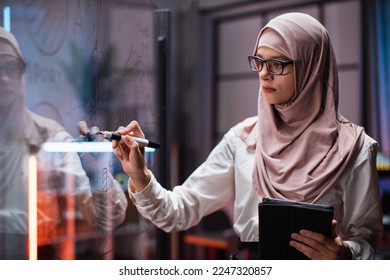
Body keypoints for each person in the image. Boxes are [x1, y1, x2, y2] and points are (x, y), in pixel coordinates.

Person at [112, 12, 383, 260]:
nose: (264, 73)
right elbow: (177, 211)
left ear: (311, 67)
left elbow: (368, 242)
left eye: (277, 63)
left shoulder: (355, 149)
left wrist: (344, 255)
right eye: (259, 61)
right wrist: (140, 176)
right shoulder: (242, 139)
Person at [0, 27, 128, 259]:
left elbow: (104, 217)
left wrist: (100, 165)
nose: (4, 77)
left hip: (34, 257)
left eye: (11, 67)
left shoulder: (49, 136)